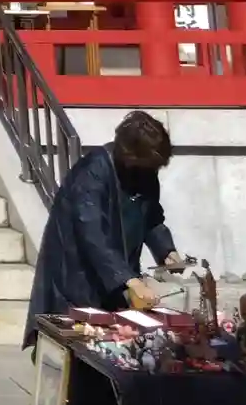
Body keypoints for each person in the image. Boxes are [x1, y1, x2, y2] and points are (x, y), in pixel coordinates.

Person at [23, 110, 188, 344]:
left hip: (115, 274)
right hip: (77, 275)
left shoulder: (145, 172)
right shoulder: (93, 171)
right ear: (131, 155)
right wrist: (129, 280)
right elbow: (92, 233)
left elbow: (151, 215)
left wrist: (166, 251)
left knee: (116, 338)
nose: (152, 171)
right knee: (81, 341)